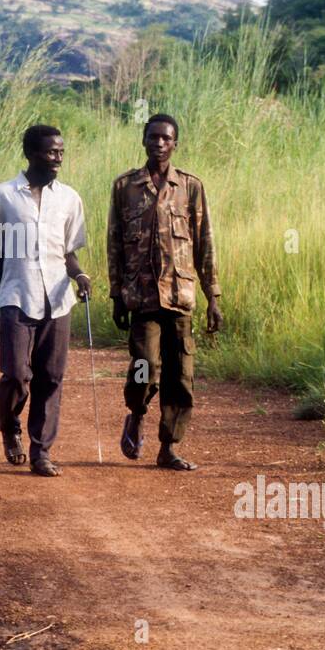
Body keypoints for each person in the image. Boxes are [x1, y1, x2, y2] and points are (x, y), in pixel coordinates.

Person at [107, 114, 223, 471]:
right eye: (153, 137)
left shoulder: (190, 186)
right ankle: (137, 412)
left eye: (166, 138)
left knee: (180, 375)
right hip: (141, 298)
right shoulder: (125, 186)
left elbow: (205, 242)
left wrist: (213, 296)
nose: (159, 143)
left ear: (175, 144)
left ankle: (168, 447)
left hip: (180, 298)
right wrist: (116, 294)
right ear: (143, 140)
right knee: (144, 366)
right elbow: (114, 243)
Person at [0, 125, 91, 478]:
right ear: (30, 153)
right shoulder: (3, 196)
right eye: (50, 152)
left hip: (58, 299)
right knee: (16, 374)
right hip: (16, 295)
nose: (58, 157)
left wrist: (80, 276)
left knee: (51, 376)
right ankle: (9, 426)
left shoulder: (70, 198)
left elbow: (67, 253)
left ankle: (41, 451)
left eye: (61, 151)